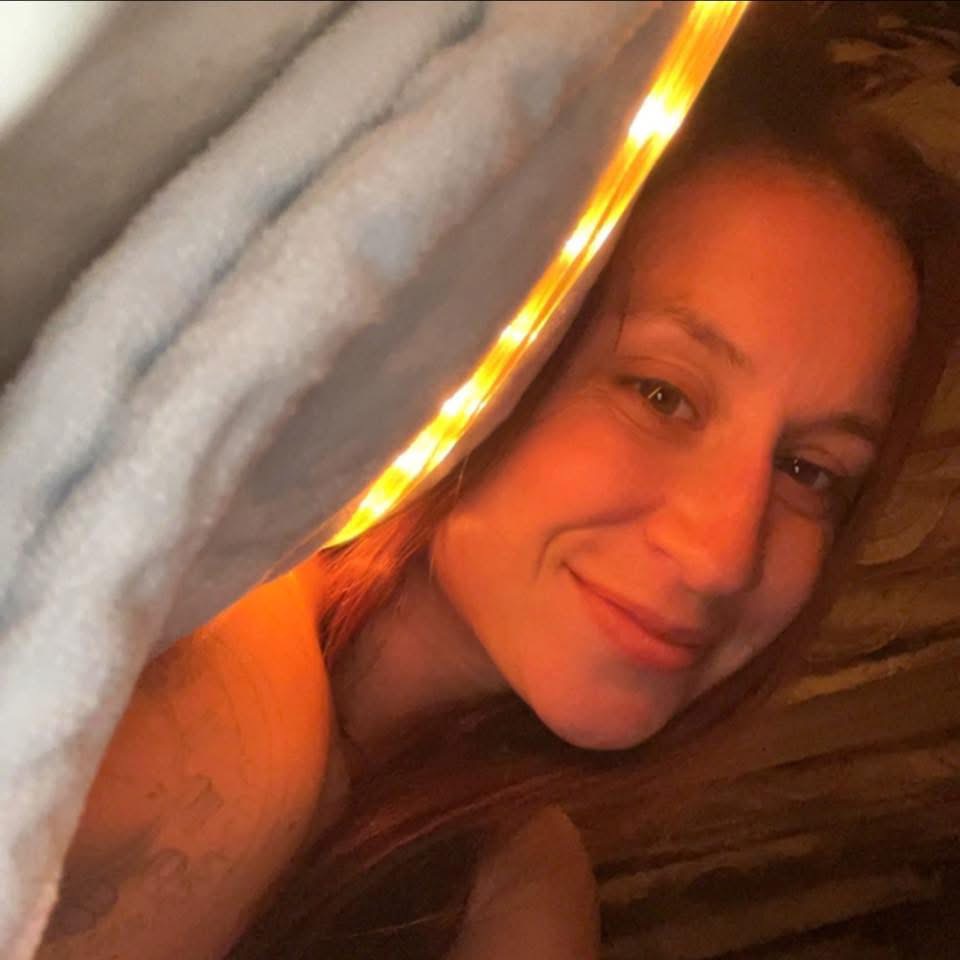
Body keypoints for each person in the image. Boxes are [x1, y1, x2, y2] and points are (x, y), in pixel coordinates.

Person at [36, 5, 960, 960]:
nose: (722, 555)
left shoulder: (512, 875)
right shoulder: (219, 717)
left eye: (810, 470)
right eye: (661, 394)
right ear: (488, 330)